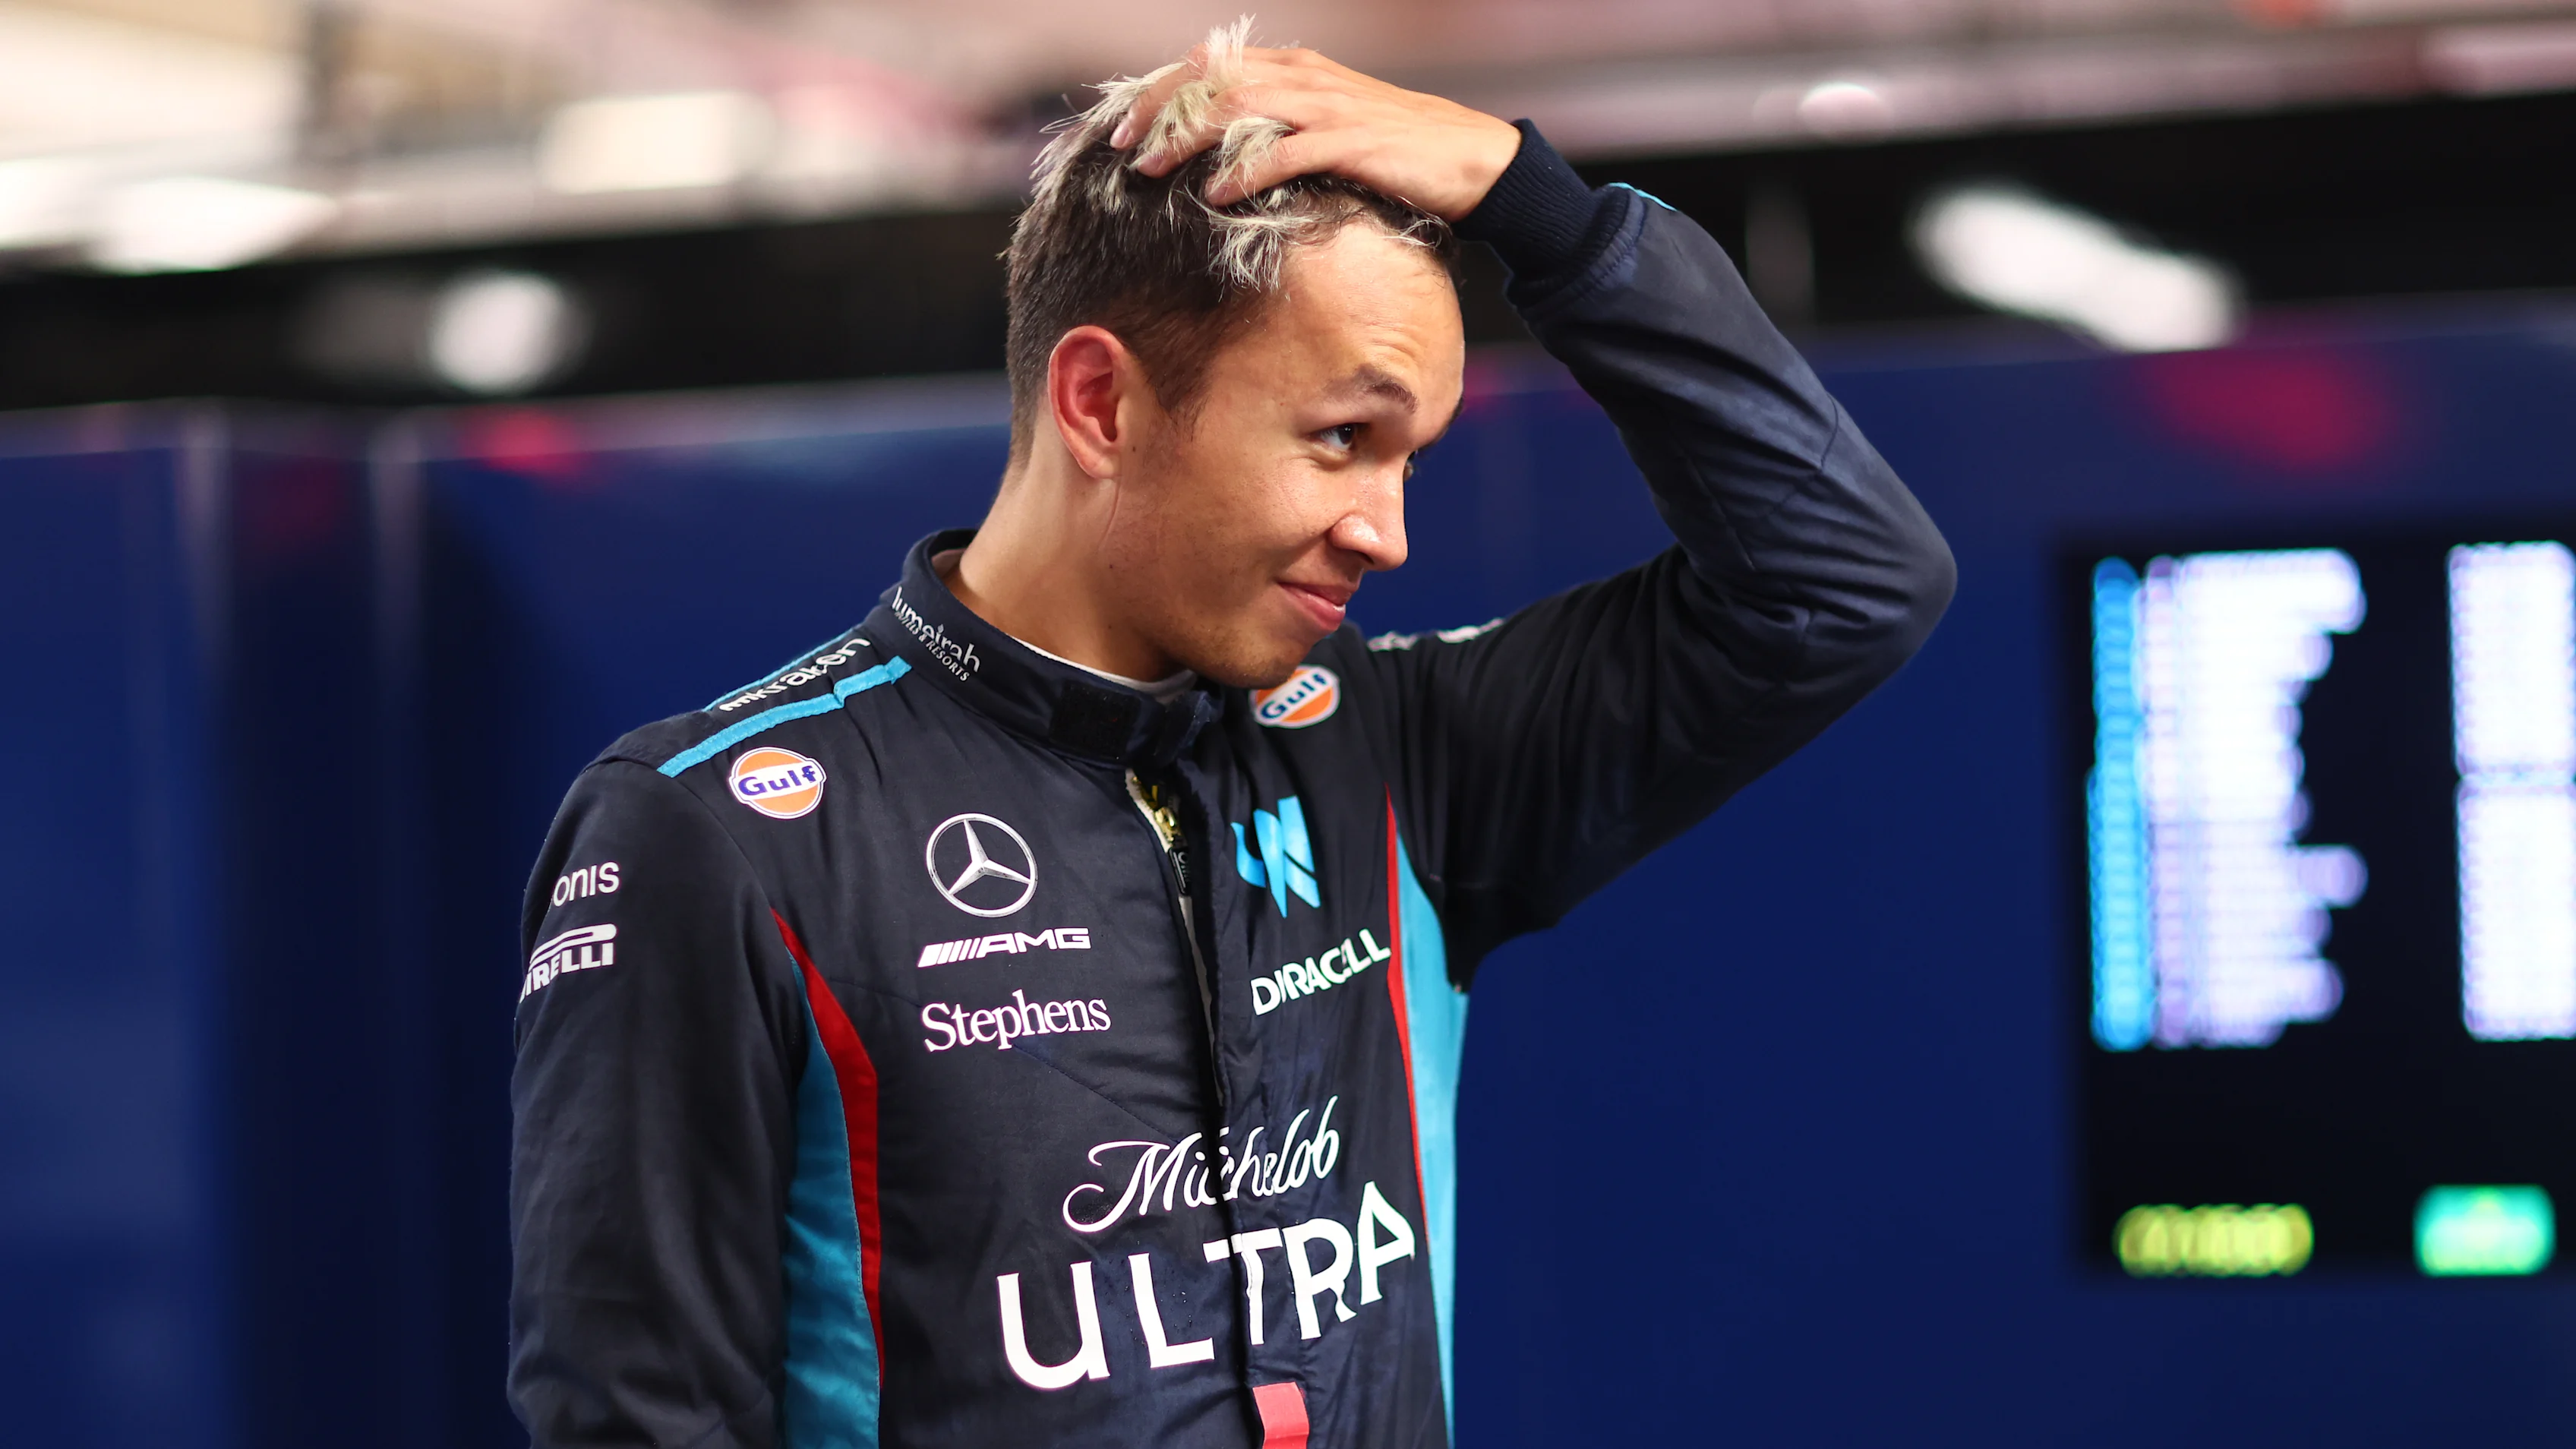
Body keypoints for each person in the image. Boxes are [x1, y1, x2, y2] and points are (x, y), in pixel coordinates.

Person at [509, 25, 1953, 1449]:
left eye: (1411, 459)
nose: (1387, 532)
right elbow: (638, 1422)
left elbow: (1842, 582)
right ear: (1101, 404)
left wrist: (1543, 210)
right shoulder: (721, 829)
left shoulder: (1397, 758)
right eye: (1342, 438)